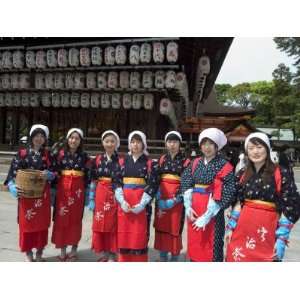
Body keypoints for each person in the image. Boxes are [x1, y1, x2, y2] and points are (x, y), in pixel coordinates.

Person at [226, 132, 300, 262]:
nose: (255, 151)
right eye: (251, 148)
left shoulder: (281, 172)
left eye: (259, 147)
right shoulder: (242, 173)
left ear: (267, 148)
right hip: (243, 228)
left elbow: (291, 204)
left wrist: (282, 237)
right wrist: (231, 226)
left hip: (267, 230)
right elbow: (238, 202)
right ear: (246, 151)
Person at [181, 128, 236, 262]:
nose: (207, 147)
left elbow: (228, 190)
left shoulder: (225, 166)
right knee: (195, 241)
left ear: (217, 146)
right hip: (195, 208)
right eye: (204, 143)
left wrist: (208, 215)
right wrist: (188, 206)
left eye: (211, 144)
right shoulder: (194, 163)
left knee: (213, 242)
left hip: (213, 210)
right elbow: (186, 182)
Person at [5, 124, 56, 262]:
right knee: (26, 224)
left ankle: (39, 253)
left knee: (41, 225)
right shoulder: (21, 154)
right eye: (36, 136)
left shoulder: (48, 155)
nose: (39, 139)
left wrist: (50, 175)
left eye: (42, 136)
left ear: (45, 139)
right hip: (26, 195)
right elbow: (11, 174)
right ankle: (28, 254)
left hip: (42, 195)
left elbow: (56, 173)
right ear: (31, 137)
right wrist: (12, 187)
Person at [114, 130, 157, 262]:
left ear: (144, 144)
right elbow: (116, 181)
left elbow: (153, 184)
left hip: (141, 204)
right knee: (124, 232)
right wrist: (121, 201)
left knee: (140, 233)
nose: (135, 145)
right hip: (125, 203)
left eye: (138, 142)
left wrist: (142, 204)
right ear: (129, 144)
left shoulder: (150, 163)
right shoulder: (122, 161)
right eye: (132, 142)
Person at [51, 128, 91, 261]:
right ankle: (62, 250)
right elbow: (55, 172)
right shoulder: (60, 155)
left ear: (80, 141)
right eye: (71, 138)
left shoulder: (85, 157)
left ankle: (73, 250)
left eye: (77, 138)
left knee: (75, 220)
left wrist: (87, 193)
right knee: (62, 218)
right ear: (67, 139)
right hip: (63, 190)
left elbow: (88, 176)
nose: (73, 140)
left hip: (78, 192)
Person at [153, 131, 190, 262]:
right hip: (161, 198)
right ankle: (163, 256)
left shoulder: (186, 162)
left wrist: (175, 200)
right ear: (166, 143)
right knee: (162, 226)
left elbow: (186, 183)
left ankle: (174, 257)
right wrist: (157, 193)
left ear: (180, 144)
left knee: (175, 228)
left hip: (177, 202)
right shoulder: (162, 159)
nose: (172, 144)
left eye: (175, 142)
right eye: (169, 142)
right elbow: (155, 177)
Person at [88, 130, 122, 262]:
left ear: (116, 143)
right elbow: (93, 180)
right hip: (100, 193)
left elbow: (122, 181)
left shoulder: (121, 160)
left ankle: (113, 253)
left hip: (114, 194)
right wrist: (91, 198)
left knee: (113, 224)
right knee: (100, 222)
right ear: (103, 143)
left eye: (112, 141)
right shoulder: (97, 160)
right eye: (107, 141)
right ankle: (103, 253)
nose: (109, 144)